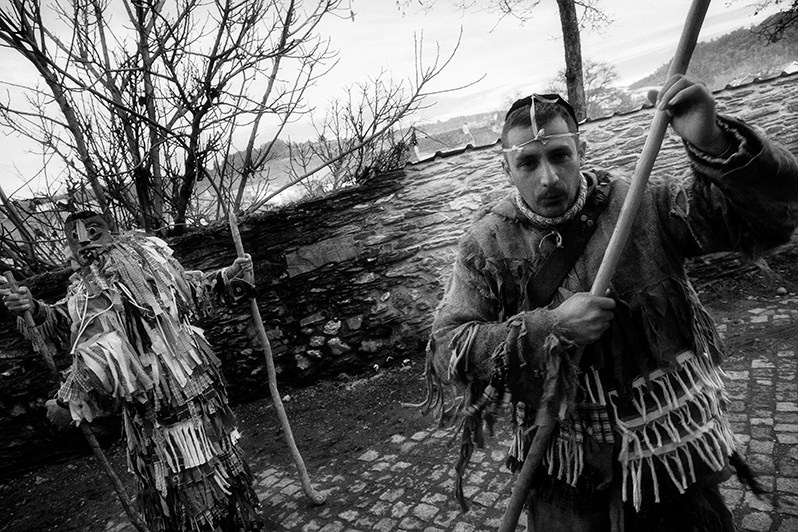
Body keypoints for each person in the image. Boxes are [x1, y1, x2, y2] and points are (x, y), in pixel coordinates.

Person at [425, 75, 798, 531]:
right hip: (566, 467)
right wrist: (551, 326)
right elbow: (448, 349)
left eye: (560, 155)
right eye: (528, 163)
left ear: (580, 150)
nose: (548, 178)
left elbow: (769, 222)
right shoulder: (486, 246)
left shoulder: (640, 203)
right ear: (507, 169)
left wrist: (714, 139)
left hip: (671, 455)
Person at [2, 211, 264, 532]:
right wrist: (35, 309)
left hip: (180, 388)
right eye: (74, 237)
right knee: (181, 466)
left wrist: (69, 400)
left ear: (110, 231)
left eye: (92, 231)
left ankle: (226, 521)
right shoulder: (93, 283)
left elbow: (110, 349)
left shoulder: (136, 261)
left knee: (202, 455)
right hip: (163, 397)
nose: (83, 241)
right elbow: (76, 323)